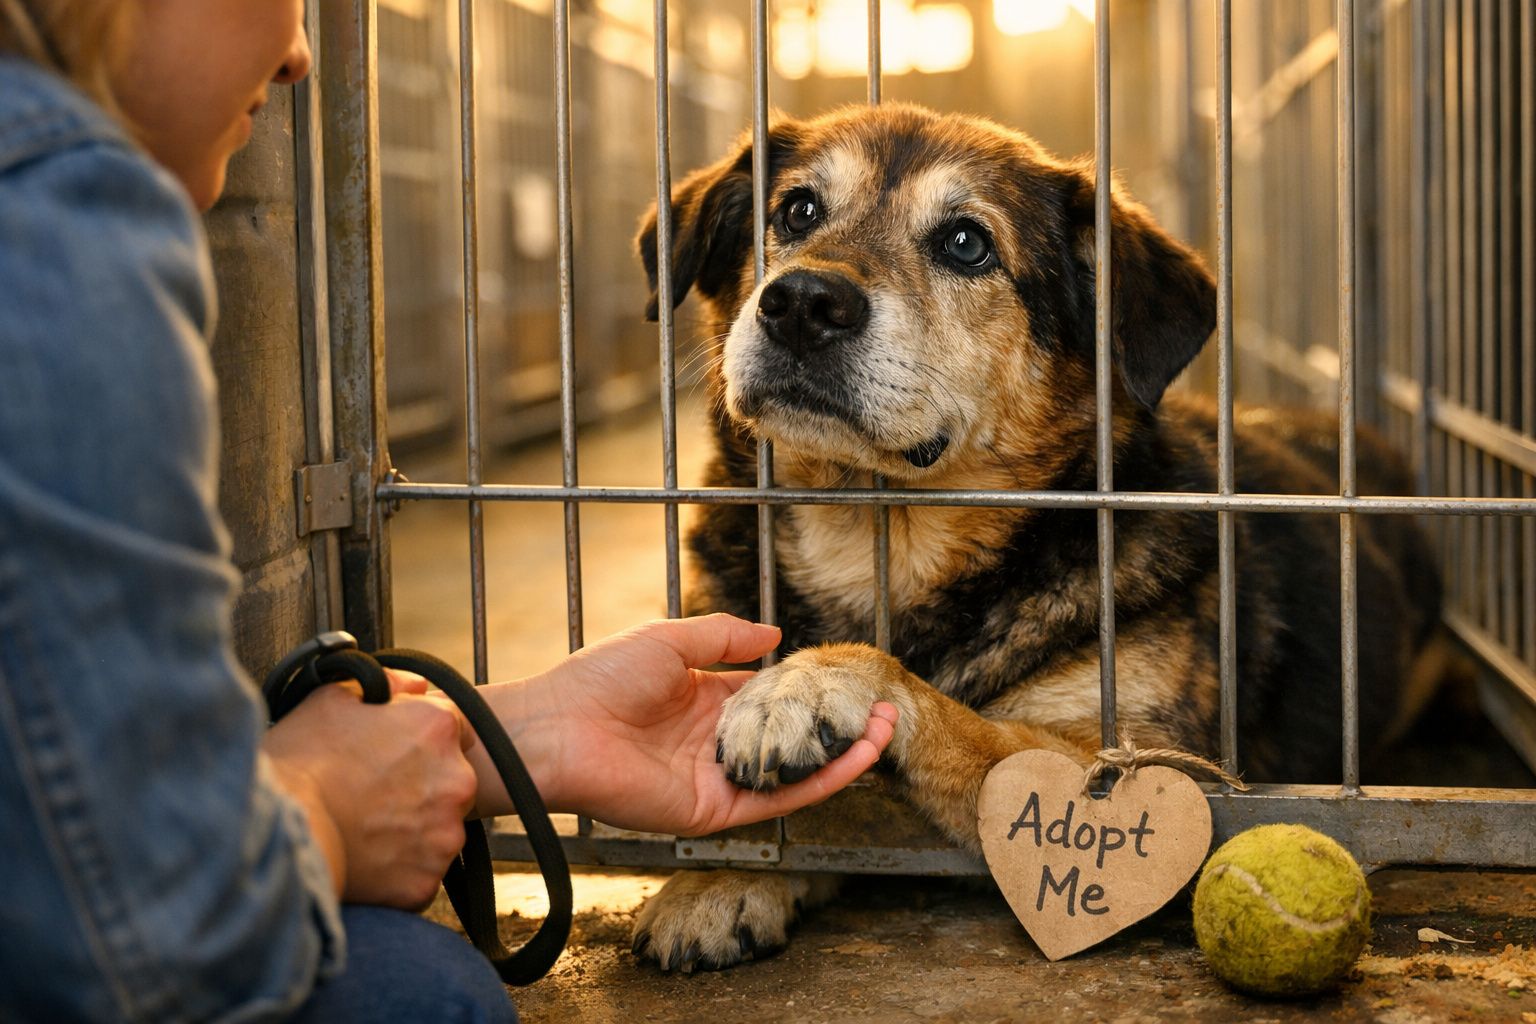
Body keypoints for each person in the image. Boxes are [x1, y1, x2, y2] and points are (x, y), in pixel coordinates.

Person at [0, 2, 898, 1022]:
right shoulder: (50, 215)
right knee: (426, 995)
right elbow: (144, 926)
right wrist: (329, 809)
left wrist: (525, 734)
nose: (303, 54)